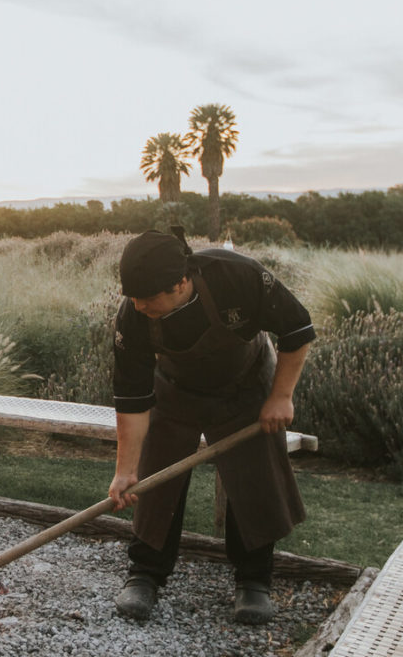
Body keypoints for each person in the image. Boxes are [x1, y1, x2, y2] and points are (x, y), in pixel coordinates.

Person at [109, 228, 314, 624]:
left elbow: (297, 328)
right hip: (174, 391)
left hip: (245, 388)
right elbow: (132, 400)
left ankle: (253, 582)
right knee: (155, 480)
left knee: (254, 478)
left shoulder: (238, 277)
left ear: (181, 282)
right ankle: (144, 574)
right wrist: (125, 470)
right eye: (132, 297)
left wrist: (280, 396)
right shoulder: (133, 317)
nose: (139, 305)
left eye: (149, 297)